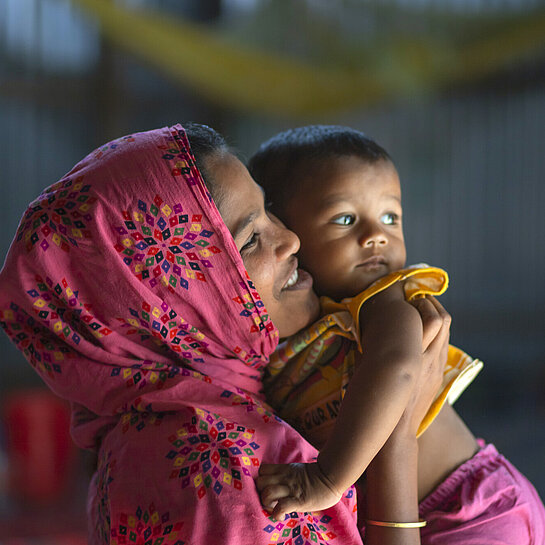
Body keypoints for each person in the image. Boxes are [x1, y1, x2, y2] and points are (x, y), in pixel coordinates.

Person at [0, 123, 448, 545]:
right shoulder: (219, 466)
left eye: (269, 210)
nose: (292, 239)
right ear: (170, 301)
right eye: (251, 238)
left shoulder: (168, 426)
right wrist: (397, 440)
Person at [248, 125, 545, 543]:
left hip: (470, 505)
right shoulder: (305, 323)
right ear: (284, 230)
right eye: (345, 219)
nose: (376, 235)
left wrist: (328, 479)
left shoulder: (381, 300)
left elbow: (399, 365)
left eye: (391, 216)